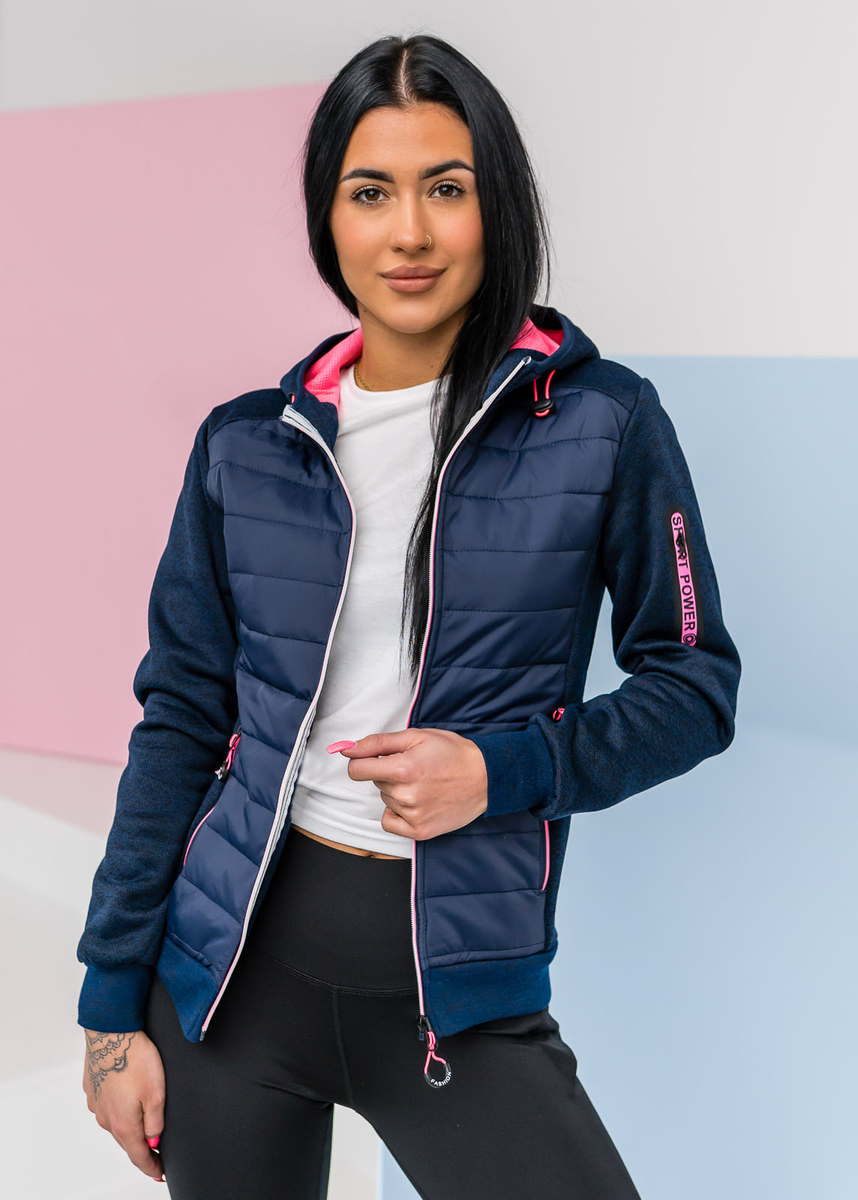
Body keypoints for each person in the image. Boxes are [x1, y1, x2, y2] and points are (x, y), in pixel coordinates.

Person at [77, 32, 741, 1199]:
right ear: (328, 216)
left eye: (447, 188)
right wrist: (108, 1007)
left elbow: (694, 688)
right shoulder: (246, 444)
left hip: (456, 994)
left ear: (498, 206)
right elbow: (180, 720)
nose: (410, 234)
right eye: (371, 192)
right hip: (229, 983)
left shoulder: (604, 422)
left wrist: (502, 770)